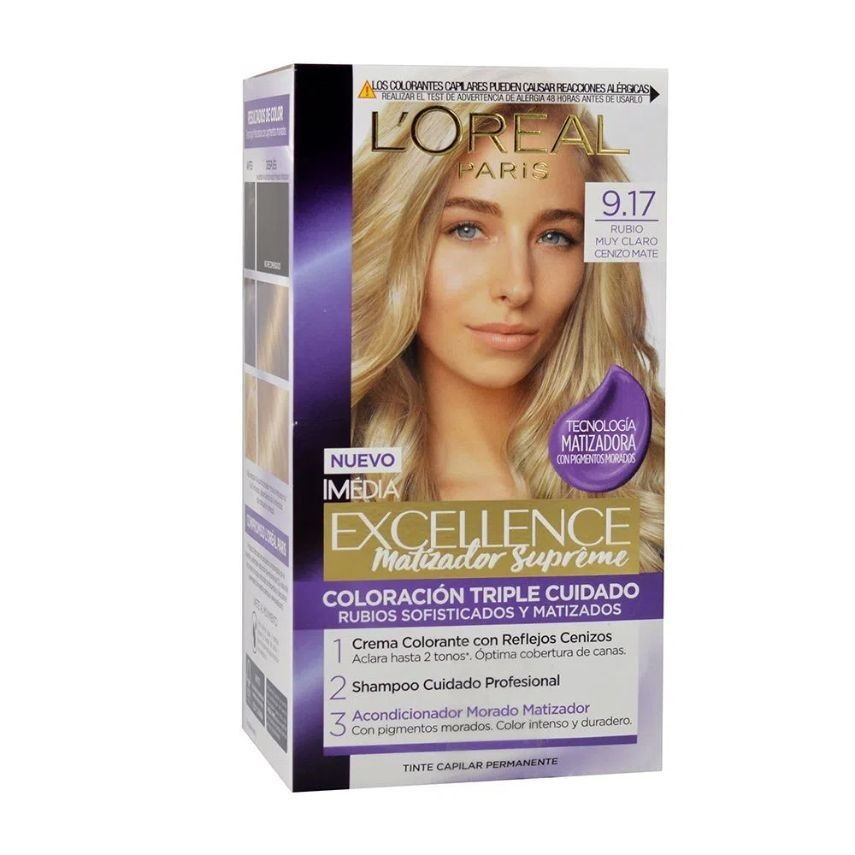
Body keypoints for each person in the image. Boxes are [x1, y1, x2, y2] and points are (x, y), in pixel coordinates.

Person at [352, 102, 664, 571]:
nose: (517, 286)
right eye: (467, 229)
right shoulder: (328, 496)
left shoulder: (654, 490)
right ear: (394, 241)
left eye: (555, 237)